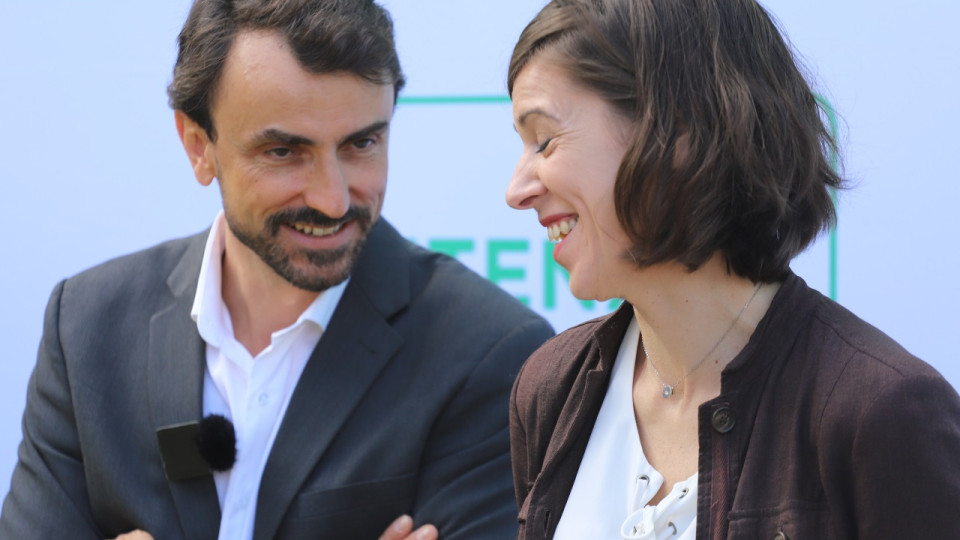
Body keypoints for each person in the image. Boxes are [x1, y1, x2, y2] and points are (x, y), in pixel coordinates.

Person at [0, 1, 554, 539]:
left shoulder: (492, 353)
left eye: (362, 143)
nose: (333, 199)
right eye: (285, 152)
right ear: (198, 146)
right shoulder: (86, 327)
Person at [504, 0, 960, 538]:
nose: (517, 191)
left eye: (545, 140)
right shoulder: (553, 387)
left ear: (676, 131)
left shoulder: (881, 414)